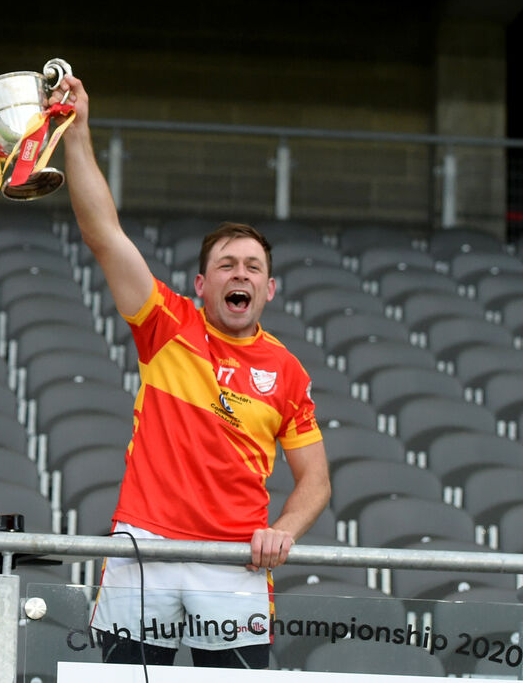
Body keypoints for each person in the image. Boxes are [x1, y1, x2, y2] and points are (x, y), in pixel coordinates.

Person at [55, 75, 331, 669]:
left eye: (252, 267)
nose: (240, 274)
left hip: (236, 559)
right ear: (202, 285)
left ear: (269, 288)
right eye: (226, 265)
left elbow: (316, 481)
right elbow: (103, 235)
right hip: (144, 545)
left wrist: (283, 529)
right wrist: (78, 134)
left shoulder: (286, 370)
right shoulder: (165, 325)